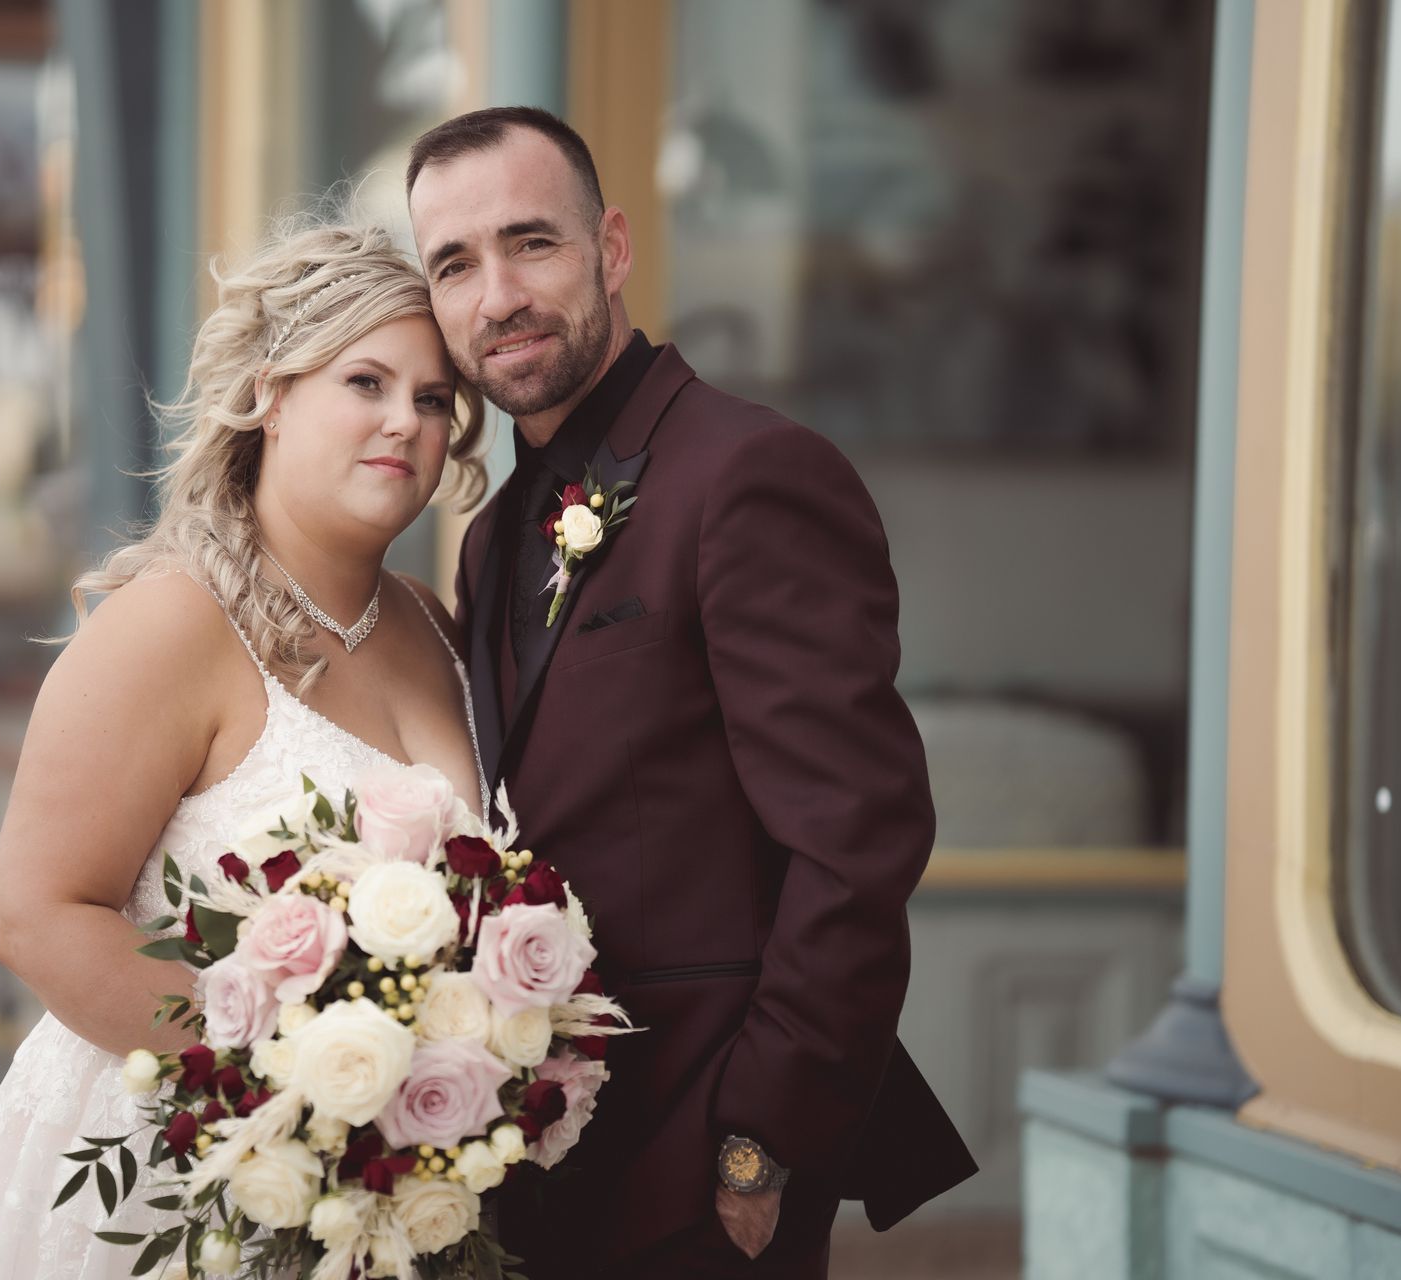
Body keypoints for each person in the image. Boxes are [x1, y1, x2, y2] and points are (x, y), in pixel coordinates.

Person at [406, 107, 977, 1279]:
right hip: (541, 1157)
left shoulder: (752, 473)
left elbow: (858, 842)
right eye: (454, 263)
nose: (497, 292)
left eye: (533, 243)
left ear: (612, 250)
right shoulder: (491, 534)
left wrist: (762, 1137)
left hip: (706, 1163)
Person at [0, 219, 487, 1278]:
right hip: (177, 1191)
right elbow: (35, 916)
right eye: (366, 380)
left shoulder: (437, 628)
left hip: (393, 1203)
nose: (406, 420)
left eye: (434, 397)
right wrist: (306, 1087)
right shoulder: (171, 621)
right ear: (269, 390)